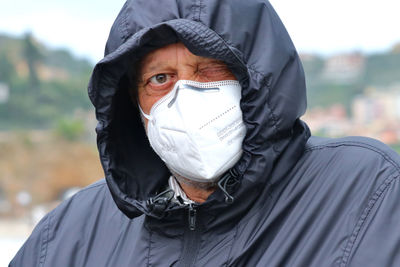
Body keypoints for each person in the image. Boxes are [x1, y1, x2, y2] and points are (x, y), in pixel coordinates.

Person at [10, 0, 400, 266]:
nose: (186, 95)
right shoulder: (68, 235)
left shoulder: (371, 193)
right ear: (134, 105)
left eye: (211, 69)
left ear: (257, 77)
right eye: (160, 78)